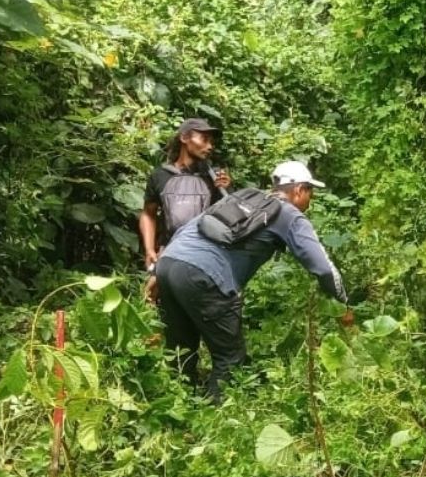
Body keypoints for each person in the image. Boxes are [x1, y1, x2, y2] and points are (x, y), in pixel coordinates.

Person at [150, 161, 350, 402]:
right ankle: (214, 422)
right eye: (311, 192)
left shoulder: (243, 198)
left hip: (170, 262)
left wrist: (156, 272)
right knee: (230, 359)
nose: (311, 199)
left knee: (181, 350)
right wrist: (344, 305)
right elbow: (324, 269)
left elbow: (189, 228)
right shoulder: (289, 215)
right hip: (204, 273)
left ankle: (175, 410)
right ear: (299, 191)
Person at [139, 117, 232, 278]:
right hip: (168, 252)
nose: (209, 146)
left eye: (211, 142)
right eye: (204, 139)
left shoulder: (215, 177)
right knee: (152, 298)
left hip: (205, 255)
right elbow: (148, 214)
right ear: (184, 138)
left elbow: (230, 219)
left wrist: (226, 190)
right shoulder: (160, 175)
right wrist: (149, 250)